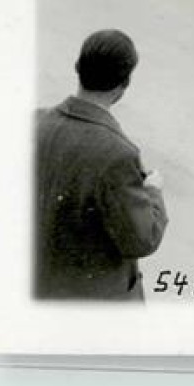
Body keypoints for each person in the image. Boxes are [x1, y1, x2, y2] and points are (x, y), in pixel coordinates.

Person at [35, 29, 168, 299]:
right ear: (123, 85)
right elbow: (142, 239)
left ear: (78, 68)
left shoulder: (36, 123)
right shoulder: (118, 155)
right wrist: (153, 192)